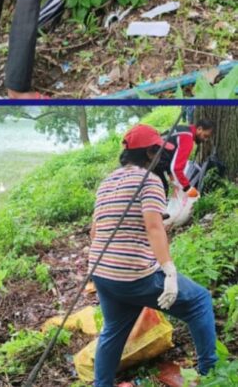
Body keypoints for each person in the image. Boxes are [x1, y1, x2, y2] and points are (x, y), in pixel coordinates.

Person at [89, 124, 217, 386]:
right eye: (158, 151)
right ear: (149, 153)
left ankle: (101, 384)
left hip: (101, 272)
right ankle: (211, 373)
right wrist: (169, 271)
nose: (161, 156)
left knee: (113, 330)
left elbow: (95, 230)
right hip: (133, 275)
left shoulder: (107, 182)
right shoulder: (149, 180)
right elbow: (153, 227)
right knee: (199, 301)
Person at [153, 119, 215, 193]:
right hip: (152, 161)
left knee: (162, 189)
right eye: (205, 136)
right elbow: (176, 168)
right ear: (199, 129)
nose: (205, 140)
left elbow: (169, 153)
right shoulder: (187, 138)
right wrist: (188, 188)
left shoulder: (182, 128)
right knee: (161, 191)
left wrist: (174, 182)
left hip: (150, 156)